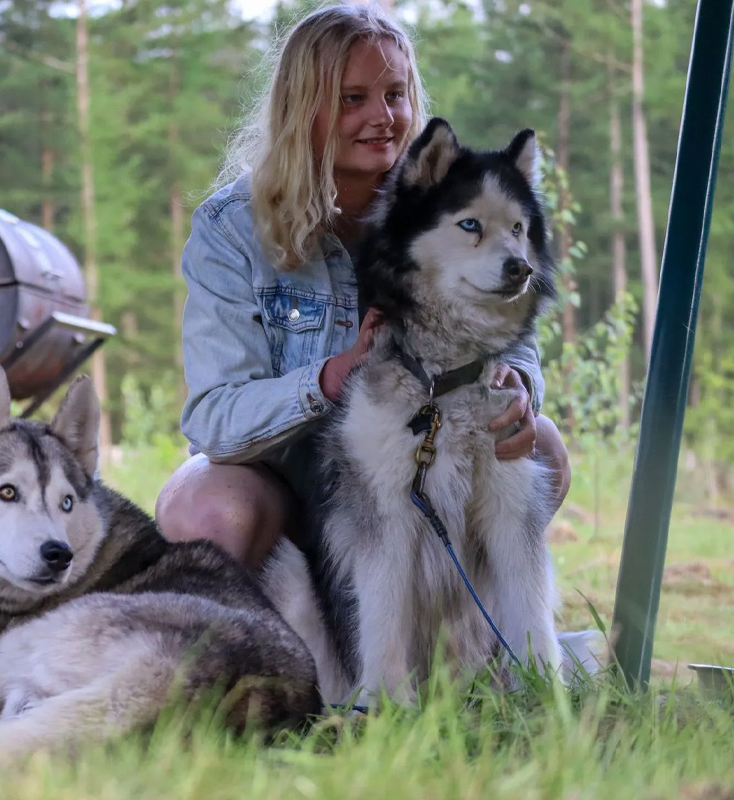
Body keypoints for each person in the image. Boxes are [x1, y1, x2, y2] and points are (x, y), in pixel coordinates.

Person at [154, 3, 572, 570]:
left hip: (418, 462)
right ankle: (251, 650)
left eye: (395, 95)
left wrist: (519, 386)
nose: (384, 117)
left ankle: (466, 641)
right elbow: (214, 418)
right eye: (354, 98)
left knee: (542, 445)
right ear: (304, 109)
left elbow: (509, 326)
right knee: (213, 509)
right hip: (286, 481)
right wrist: (329, 378)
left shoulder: (456, 204)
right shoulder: (229, 228)